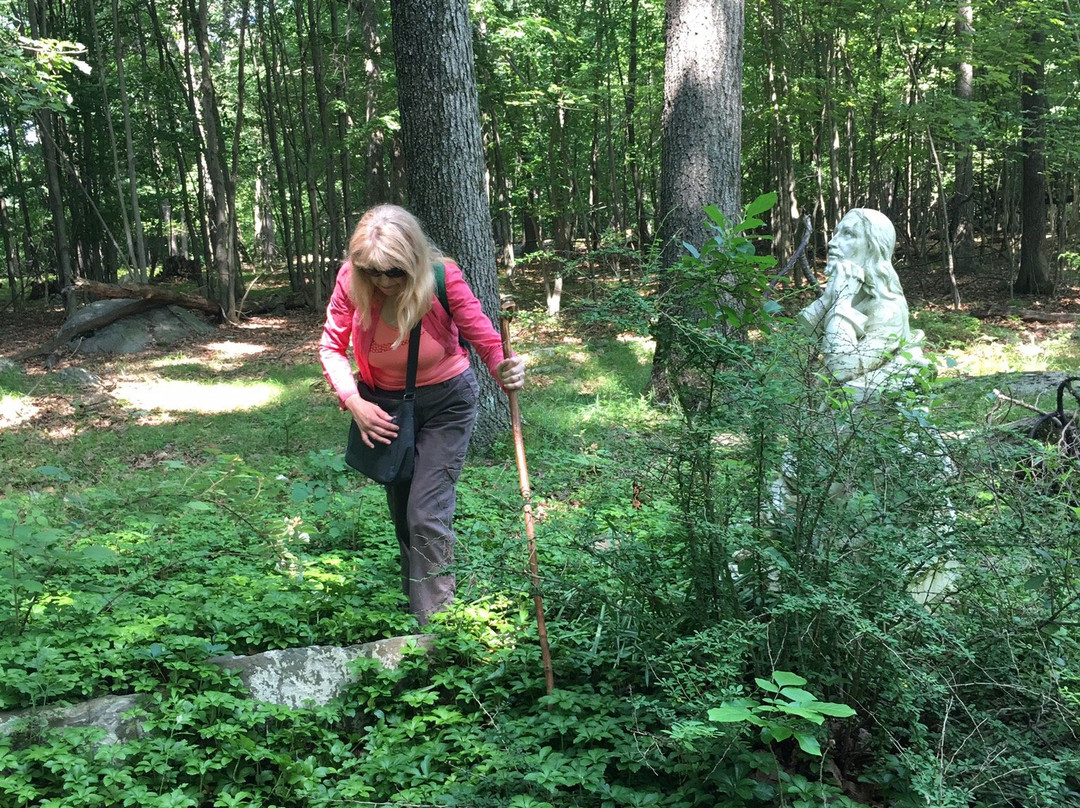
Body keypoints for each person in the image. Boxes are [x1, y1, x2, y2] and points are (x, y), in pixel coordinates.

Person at [319, 204, 525, 624]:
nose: (383, 281)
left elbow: (487, 341)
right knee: (403, 511)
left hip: (446, 402)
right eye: (371, 271)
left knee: (425, 513)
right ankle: (419, 599)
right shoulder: (349, 282)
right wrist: (353, 401)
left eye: (393, 271)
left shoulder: (442, 279)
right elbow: (330, 347)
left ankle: (435, 626)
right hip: (385, 406)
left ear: (412, 260)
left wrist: (506, 366)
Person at [798, 208, 925, 390]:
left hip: (864, 412)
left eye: (848, 234)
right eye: (836, 234)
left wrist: (841, 302)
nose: (832, 243)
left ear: (872, 247)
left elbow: (841, 369)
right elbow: (801, 333)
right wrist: (830, 298)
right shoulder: (853, 290)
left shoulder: (888, 308)